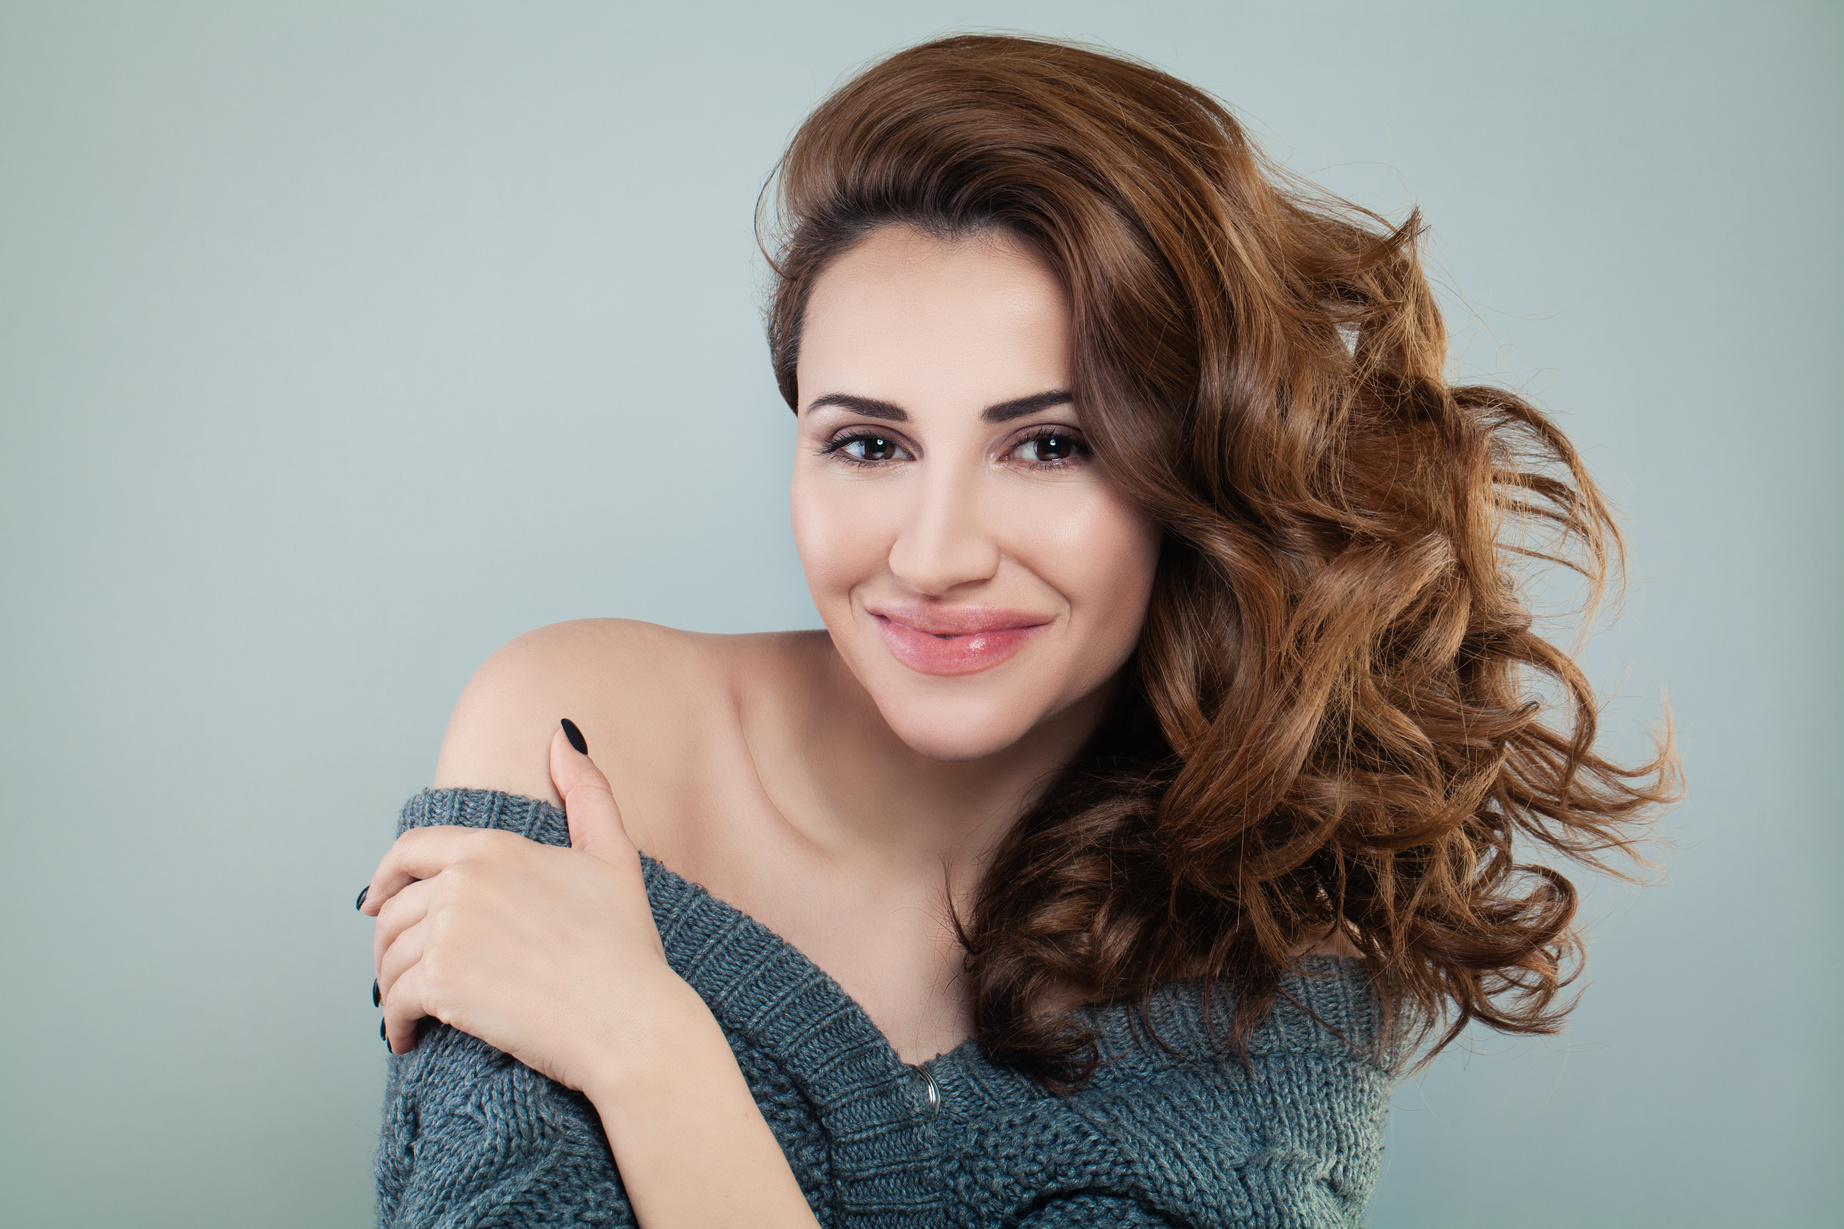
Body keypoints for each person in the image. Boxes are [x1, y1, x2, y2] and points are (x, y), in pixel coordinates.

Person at [358, 33, 1676, 1228]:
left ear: (1192, 469)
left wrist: (650, 1052)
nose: (933, 555)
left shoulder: (1285, 923)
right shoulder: (584, 738)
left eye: (1048, 445)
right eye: (868, 443)